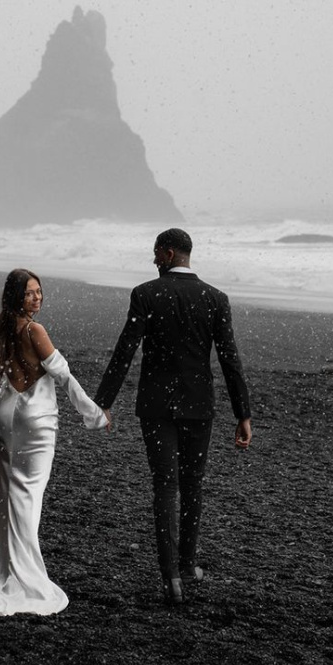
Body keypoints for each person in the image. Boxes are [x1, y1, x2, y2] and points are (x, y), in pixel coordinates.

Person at [93, 228, 252, 606]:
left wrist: (104, 401)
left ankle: (170, 579)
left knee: (165, 486)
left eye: (155, 254)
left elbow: (125, 351)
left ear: (167, 254)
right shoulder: (215, 298)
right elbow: (230, 359)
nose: (153, 261)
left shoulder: (146, 294)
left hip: (156, 406)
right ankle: (187, 564)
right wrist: (242, 413)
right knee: (193, 484)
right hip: (199, 406)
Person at [0, 268, 111, 617]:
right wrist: (94, 413)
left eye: (39, 291)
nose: (36, 298)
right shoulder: (33, 330)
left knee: (9, 494)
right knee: (28, 498)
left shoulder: (2, 327)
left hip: (7, 415)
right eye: (29, 293)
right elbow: (63, 376)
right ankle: (24, 576)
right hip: (35, 420)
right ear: (16, 297)